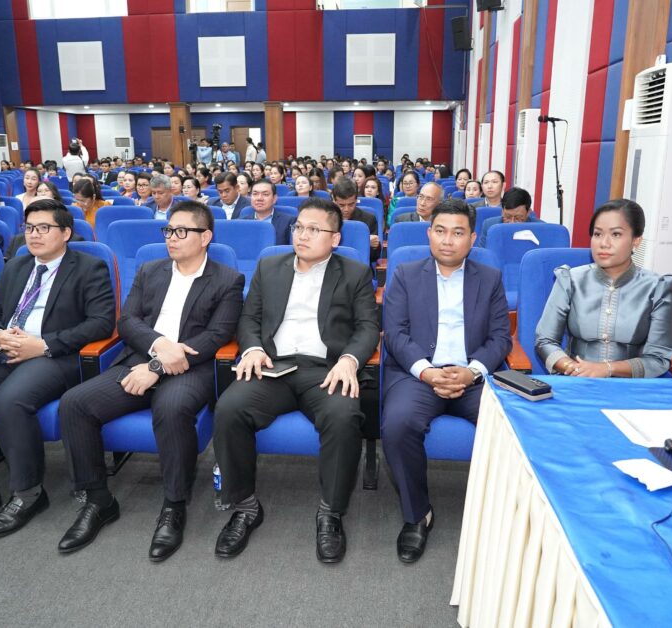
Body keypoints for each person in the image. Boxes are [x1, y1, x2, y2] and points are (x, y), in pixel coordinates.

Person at [57, 201, 244, 560]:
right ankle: (98, 500)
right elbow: (128, 322)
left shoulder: (227, 279)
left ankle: (174, 505)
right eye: (168, 230)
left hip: (193, 368)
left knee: (171, 408)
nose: (171, 238)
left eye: (181, 231)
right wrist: (158, 349)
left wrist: (156, 368)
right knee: (75, 403)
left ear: (205, 237)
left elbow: (216, 336)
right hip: (140, 358)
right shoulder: (150, 270)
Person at [0, 199, 115, 541]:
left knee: (9, 402)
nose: (34, 235)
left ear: (66, 233)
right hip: (4, 350)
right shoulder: (17, 266)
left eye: (44, 228)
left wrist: (43, 344)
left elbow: (101, 323)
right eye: (29, 228)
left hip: (54, 356)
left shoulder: (90, 268)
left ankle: (28, 493)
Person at [212, 197, 378, 563]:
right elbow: (248, 319)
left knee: (343, 416)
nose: (302, 235)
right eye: (299, 227)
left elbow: (368, 327)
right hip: (274, 366)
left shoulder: (354, 273)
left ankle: (331, 512)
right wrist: (253, 348)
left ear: (335, 239)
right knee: (229, 409)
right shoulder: (269, 266)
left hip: (326, 369)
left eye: (313, 229)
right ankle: (245, 507)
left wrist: (349, 360)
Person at [382, 199, 511, 563]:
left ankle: (501, 513)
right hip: (419, 375)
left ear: (472, 238)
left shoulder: (490, 279)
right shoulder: (405, 275)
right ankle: (417, 514)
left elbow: (501, 338)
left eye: (457, 233)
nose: (447, 240)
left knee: (510, 424)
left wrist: (472, 371)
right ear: (429, 234)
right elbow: (395, 334)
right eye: (440, 231)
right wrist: (427, 371)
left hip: (473, 376)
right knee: (397, 424)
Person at [535, 199, 672, 378]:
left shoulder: (658, 288)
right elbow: (545, 341)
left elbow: (659, 358)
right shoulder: (570, 280)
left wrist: (607, 369)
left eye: (616, 234)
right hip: (576, 380)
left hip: (631, 385)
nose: (604, 243)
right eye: (597, 234)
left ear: (636, 240)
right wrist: (576, 369)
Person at [331, 178, 381, 263]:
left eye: (351, 204)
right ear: (334, 201)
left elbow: (374, 258)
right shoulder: (325, 219)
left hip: (359, 265)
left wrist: (374, 246)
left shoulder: (368, 219)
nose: (346, 209)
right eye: (341, 205)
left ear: (356, 200)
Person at [244, 180, 295, 245]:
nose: (259, 198)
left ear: (274, 198)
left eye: (265, 194)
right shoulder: (242, 222)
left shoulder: (288, 222)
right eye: (255, 194)